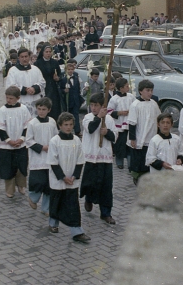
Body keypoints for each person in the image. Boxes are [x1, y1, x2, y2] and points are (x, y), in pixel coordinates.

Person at [47, 112, 89, 243]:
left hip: (72, 180)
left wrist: (75, 176)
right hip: (58, 179)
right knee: (56, 202)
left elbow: (80, 159)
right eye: (65, 125)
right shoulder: (55, 141)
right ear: (60, 125)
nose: (68, 127)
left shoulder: (76, 140)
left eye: (71, 124)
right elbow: (53, 162)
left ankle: (77, 230)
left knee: (73, 205)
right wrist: (63, 177)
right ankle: (53, 223)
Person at [80, 93, 117, 225]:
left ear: (103, 106)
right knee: (90, 183)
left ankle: (106, 213)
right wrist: (99, 118)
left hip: (105, 157)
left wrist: (107, 133)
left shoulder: (110, 120)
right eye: (92, 105)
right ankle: (89, 199)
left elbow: (114, 137)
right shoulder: (87, 118)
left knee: (106, 186)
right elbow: (90, 129)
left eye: (96, 105)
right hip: (91, 156)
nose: (94, 108)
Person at [0, 86, 31, 198]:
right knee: (8, 167)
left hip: (21, 144)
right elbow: (0, 128)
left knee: (21, 166)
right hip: (7, 146)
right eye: (7, 98)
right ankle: (10, 189)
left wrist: (22, 139)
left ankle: (21, 185)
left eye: (11, 98)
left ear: (18, 98)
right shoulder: (2, 110)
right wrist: (9, 141)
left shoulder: (23, 109)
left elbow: (27, 126)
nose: (8, 100)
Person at [25, 97, 58, 215]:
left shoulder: (52, 122)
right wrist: (42, 147)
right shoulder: (32, 123)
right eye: (39, 109)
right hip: (37, 157)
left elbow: (56, 137)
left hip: (50, 157)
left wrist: (54, 147)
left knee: (49, 184)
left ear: (49, 110)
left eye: (44, 109)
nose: (41, 112)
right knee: (38, 182)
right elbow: (28, 140)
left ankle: (46, 208)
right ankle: (33, 198)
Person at [127, 80, 162, 185]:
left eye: (151, 90)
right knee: (138, 158)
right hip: (139, 136)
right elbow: (132, 123)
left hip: (151, 136)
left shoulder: (154, 104)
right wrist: (132, 138)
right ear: (140, 91)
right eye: (147, 90)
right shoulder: (135, 105)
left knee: (149, 156)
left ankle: (147, 175)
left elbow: (158, 119)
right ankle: (137, 176)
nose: (150, 93)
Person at [5, 48, 45, 116]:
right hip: (21, 100)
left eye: (26, 56)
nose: (24, 59)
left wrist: (34, 88)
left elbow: (42, 82)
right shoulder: (13, 71)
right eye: (22, 57)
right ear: (18, 58)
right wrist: (25, 90)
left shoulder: (35, 69)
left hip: (34, 99)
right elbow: (11, 86)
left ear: (29, 57)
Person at [108, 77, 134, 170]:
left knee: (129, 145)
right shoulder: (114, 99)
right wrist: (120, 113)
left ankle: (130, 164)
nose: (128, 87)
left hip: (129, 125)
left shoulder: (131, 97)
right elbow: (109, 111)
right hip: (119, 125)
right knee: (119, 145)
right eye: (126, 86)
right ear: (121, 88)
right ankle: (119, 162)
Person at [34, 44, 63, 121]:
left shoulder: (54, 62)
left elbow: (60, 74)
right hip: (43, 87)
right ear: (43, 52)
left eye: (50, 52)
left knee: (54, 106)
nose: (48, 53)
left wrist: (58, 78)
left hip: (53, 87)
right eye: (46, 52)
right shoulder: (37, 63)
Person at [59, 61, 84, 135]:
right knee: (67, 115)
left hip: (75, 100)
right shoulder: (63, 79)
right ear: (66, 70)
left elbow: (78, 89)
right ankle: (66, 130)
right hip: (68, 101)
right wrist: (64, 90)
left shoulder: (76, 78)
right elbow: (60, 89)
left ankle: (77, 130)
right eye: (69, 69)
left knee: (76, 115)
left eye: (72, 69)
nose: (70, 71)